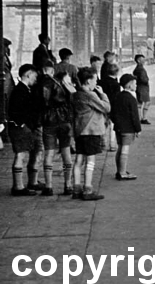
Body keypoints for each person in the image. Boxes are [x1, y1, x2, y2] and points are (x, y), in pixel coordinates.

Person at [71, 67, 109, 201]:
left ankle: (76, 189)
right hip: (91, 131)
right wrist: (103, 94)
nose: (96, 83)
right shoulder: (90, 95)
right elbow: (106, 107)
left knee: (78, 160)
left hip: (79, 131)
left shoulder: (76, 94)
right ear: (88, 81)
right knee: (91, 161)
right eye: (95, 80)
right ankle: (88, 189)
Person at [8, 64, 43, 195]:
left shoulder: (25, 89)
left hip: (24, 127)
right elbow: (15, 111)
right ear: (28, 75)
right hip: (20, 128)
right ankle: (18, 187)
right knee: (20, 155)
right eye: (34, 75)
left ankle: (28, 183)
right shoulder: (19, 91)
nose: (36, 78)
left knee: (24, 154)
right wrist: (22, 124)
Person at [40, 61, 74, 195]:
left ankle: (48, 186)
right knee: (66, 152)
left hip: (49, 121)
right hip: (64, 122)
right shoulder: (67, 88)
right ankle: (68, 185)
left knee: (49, 153)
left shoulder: (43, 85)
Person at [112, 74, 141, 180]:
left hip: (118, 127)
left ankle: (119, 170)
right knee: (125, 149)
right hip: (128, 128)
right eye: (134, 83)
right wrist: (138, 129)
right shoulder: (131, 99)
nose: (136, 85)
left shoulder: (118, 96)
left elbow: (112, 112)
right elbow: (135, 116)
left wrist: (116, 122)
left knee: (119, 148)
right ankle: (123, 173)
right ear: (129, 85)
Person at [99, 64, 121, 152]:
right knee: (112, 127)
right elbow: (117, 97)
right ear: (116, 72)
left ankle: (102, 144)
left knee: (102, 124)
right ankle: (112, 145)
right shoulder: (116, 84)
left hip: (102, 105)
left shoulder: (100, 82)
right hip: (112, 106)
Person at [2, 38, 15, 149]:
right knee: (4, 111)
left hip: (8, 87)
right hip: (4, 88)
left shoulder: (5, 57)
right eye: (7, 46)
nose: (8, 49)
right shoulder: (2, 58)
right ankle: (5, 134)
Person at [133, 54, 151, 124]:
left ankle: (140, 117)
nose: (144, 60)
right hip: (143, 87)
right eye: (142, 59)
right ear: (138, 60)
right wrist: (146, 81)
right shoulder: (140, 69)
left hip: (140, 87)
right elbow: (143, 79)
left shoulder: (137, 69)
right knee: (146, 102)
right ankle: (143, 118)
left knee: (140, 102)